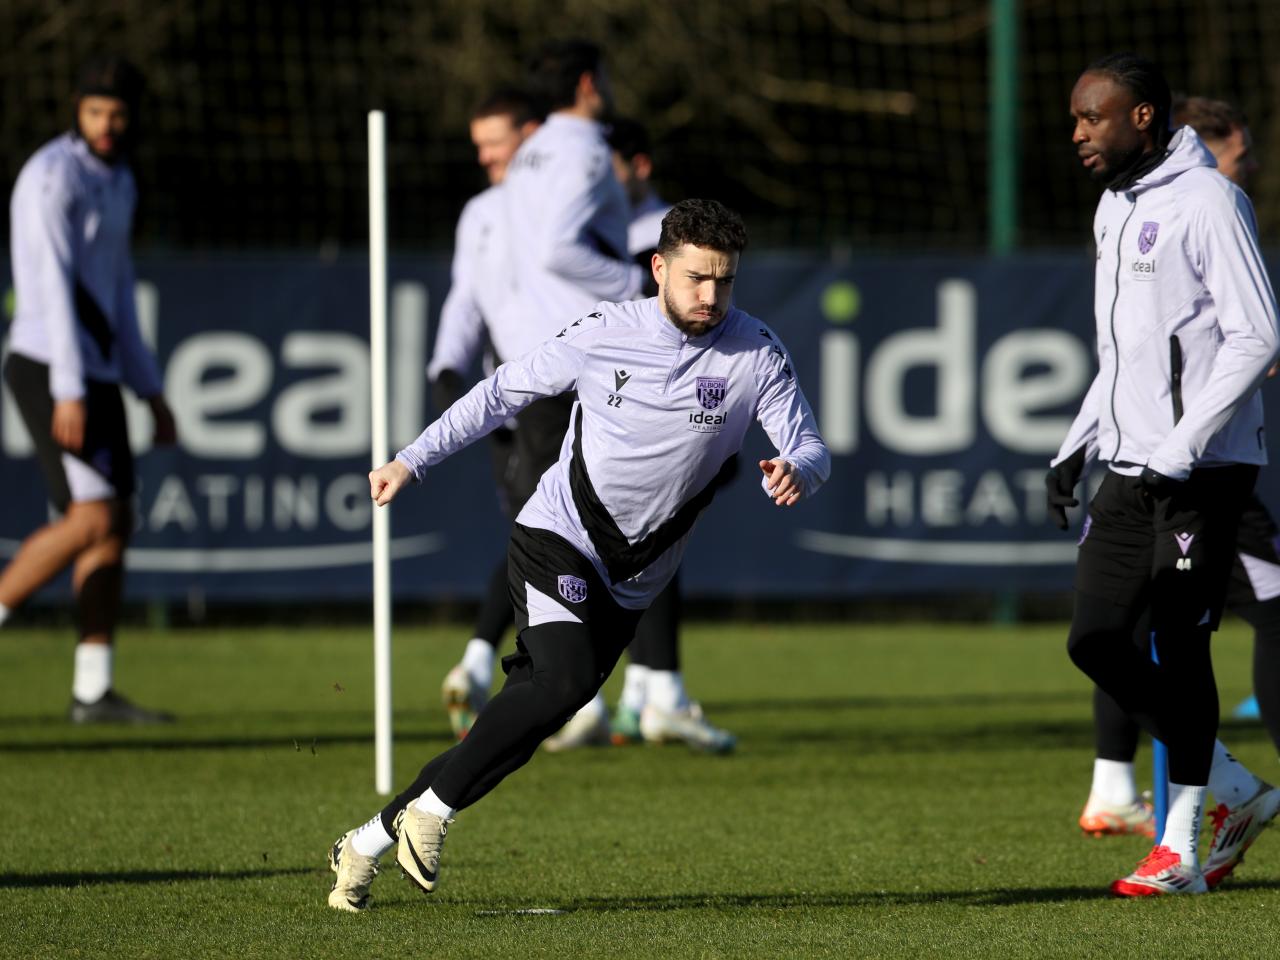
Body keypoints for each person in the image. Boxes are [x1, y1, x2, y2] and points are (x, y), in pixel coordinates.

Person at [326, 198, 830, 911]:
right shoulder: (606, 332)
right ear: (658, 269)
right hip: (558, 534)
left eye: (724, 281)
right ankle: (431, 812)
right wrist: (412, 460)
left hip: (636, 578)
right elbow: (501, 392)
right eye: (695, 278)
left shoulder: (756, 351)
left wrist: (796, 472)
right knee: (559, 684)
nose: (711, 296)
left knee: (530, 719)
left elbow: (811, 446)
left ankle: (368, 840)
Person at [1047, 53, 1280, 896]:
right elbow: (1125, 355)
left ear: (1143, 117)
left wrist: (1185, 442)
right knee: (1095, 640)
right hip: (1129, 467)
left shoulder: (1210, 202)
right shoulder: (1115, 206)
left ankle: (1182, 845)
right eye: (1074, 119)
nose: (1077, 133)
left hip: (1203, 471)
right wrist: (1076, 440)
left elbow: (1258, 337)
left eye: (1092, 118)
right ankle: (1233, 790)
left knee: (1183, 650)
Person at [0, 57, 177, 725]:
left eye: (118, 114)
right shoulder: (51, 177)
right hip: (48, 365)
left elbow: (118, 295)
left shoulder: (120, 179)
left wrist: (150, 389)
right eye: (96, 111)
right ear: (78, 109)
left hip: (95, 372)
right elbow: (47, 285)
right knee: (91, 519)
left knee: (114, 525)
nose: (107, 125)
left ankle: (92, 690)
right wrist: (70, 389)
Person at [596, 116, 736, 751]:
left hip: (684, 397)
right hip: (612, 400)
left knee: (658, 535)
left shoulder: (665, 227)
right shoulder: (589, 232)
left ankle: (649, 692)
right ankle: (618, 692)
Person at [430, 88, 543, 739]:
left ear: (530, 135)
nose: (487, 157)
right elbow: (465, 300)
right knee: (543, 534)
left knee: (556, 534)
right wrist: (447, 366)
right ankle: (514, 672)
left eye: (495, 141)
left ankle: (488, 663)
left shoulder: (567, 202)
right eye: (479, 146)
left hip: (580, 392)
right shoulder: (480, 214)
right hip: (510, 397)